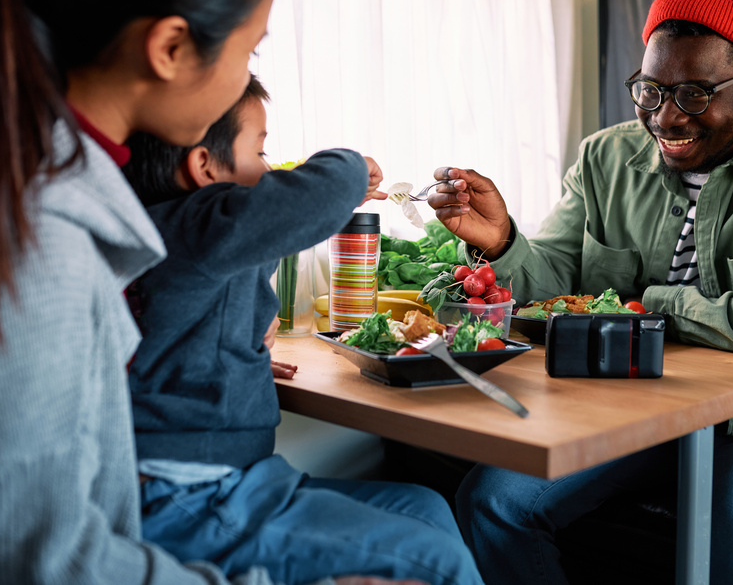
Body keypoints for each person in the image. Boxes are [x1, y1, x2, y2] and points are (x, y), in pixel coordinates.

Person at [0, 0, 421, 584]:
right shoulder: (36, 235)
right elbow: (40, 561)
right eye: (252, 50)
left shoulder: (26, 178)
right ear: (170, 47)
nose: (246, 74)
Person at [427, 0, 733, 584]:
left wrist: (660, 305)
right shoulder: (603, 157)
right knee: (493, 503)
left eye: (696, 93)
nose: (666, 117)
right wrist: (502, 242)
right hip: (631, 409)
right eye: (650, 89)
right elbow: (557, 285)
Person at [121, 78, 485, 585]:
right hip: (193, 495)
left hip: (239, 481)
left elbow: (168, 338)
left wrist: (233, 355)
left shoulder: (190, 238)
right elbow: (309, 197)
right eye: (260, 150)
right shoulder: (197, 224)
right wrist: (352, 167)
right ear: (205, 168)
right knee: (438, 561)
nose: (269, 168)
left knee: (421, 506)